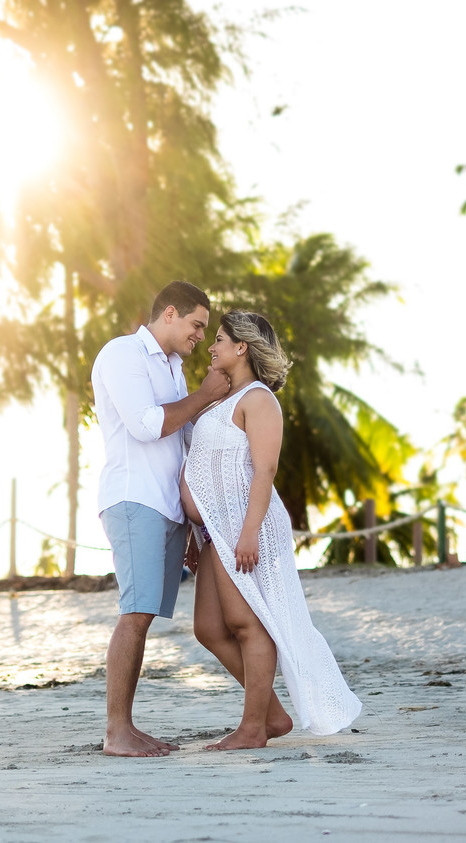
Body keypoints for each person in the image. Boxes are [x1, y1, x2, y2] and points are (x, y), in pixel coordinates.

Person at [181, 310, 362, 750]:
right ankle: (272, 715)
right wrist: (195, 529)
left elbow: (264, 469)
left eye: (220, 339)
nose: (212, 345)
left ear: (242, 347)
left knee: (247, 625)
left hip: (245, 527)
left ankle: (252, 729)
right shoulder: (225, 400)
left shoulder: (259, 400)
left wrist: (248, 532)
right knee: (208, 627)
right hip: (215, 531)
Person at [91, 281, 232, 757]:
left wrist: (192, 526)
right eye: (197, 325)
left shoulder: (172, 368)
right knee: (135, 612)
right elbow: (147, 425)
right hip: (134, 499)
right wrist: (208, 394)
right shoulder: (122, 353)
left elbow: (182, 444)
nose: (200, 337)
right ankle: (117, 732)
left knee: (145, 613)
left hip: (166, 508)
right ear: (169, 314)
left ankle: (125, 728)